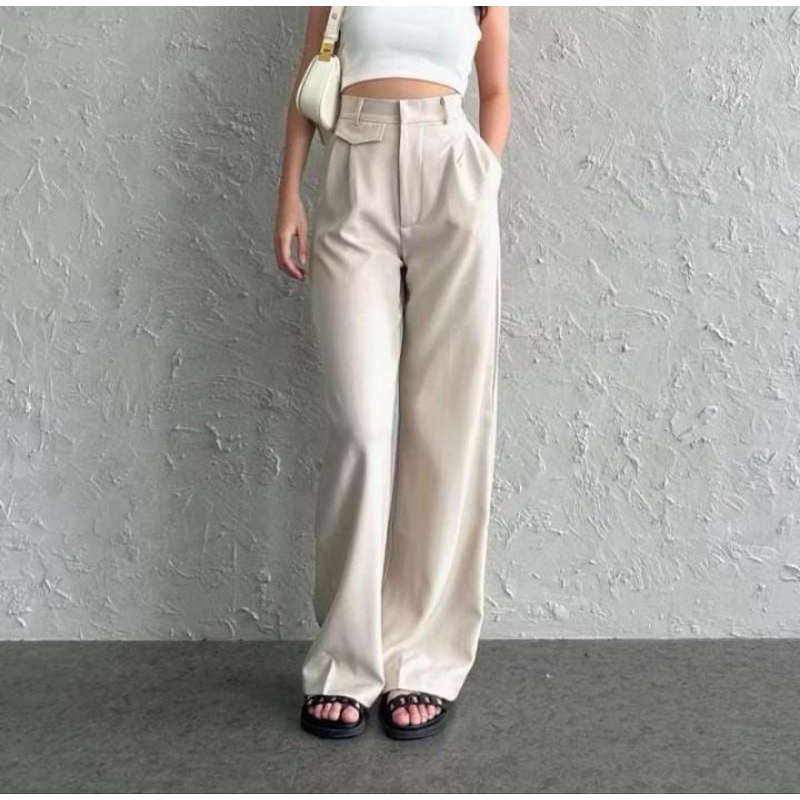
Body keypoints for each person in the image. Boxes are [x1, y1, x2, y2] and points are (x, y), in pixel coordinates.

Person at [273, 5, 510, 740]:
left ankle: (423, 660)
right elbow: (308, 79)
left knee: (446, 427)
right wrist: (289, 194)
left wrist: (484, 174)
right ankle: (345, 661)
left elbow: (496, 89)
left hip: (453, 172)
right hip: (356, 167)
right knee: (362, 425)